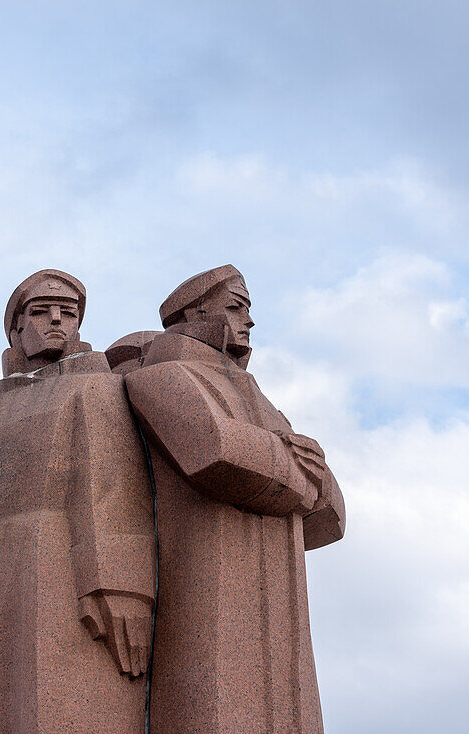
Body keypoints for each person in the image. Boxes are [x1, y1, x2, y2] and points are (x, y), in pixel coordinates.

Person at [0, 269, 155, 734]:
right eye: (41, 311)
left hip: (60, 566)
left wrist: (120, 585)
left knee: (65, 701)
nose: (56, 321)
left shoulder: (93, 386)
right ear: (16, 330)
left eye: (68, 314)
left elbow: (112, 488)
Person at [122, 264, 345, 734]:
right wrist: (297, 465)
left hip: (280, 594)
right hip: (201, 579)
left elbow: (332, 519)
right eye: (237, 307)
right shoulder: (164, 375)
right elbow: (212, 450)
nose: (249, 321)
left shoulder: (264, 402)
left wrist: (309, 476)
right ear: (195, 311)